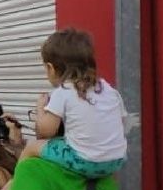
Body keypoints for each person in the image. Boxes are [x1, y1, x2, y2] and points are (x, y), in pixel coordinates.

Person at [27, 28, 128, 180]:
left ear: (50, 68)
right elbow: (121, 121)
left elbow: (46, 131)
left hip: (83, 161)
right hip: (116, 160)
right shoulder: (108, 89)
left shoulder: (64, 90)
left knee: (31, 148)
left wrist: (40, 109)